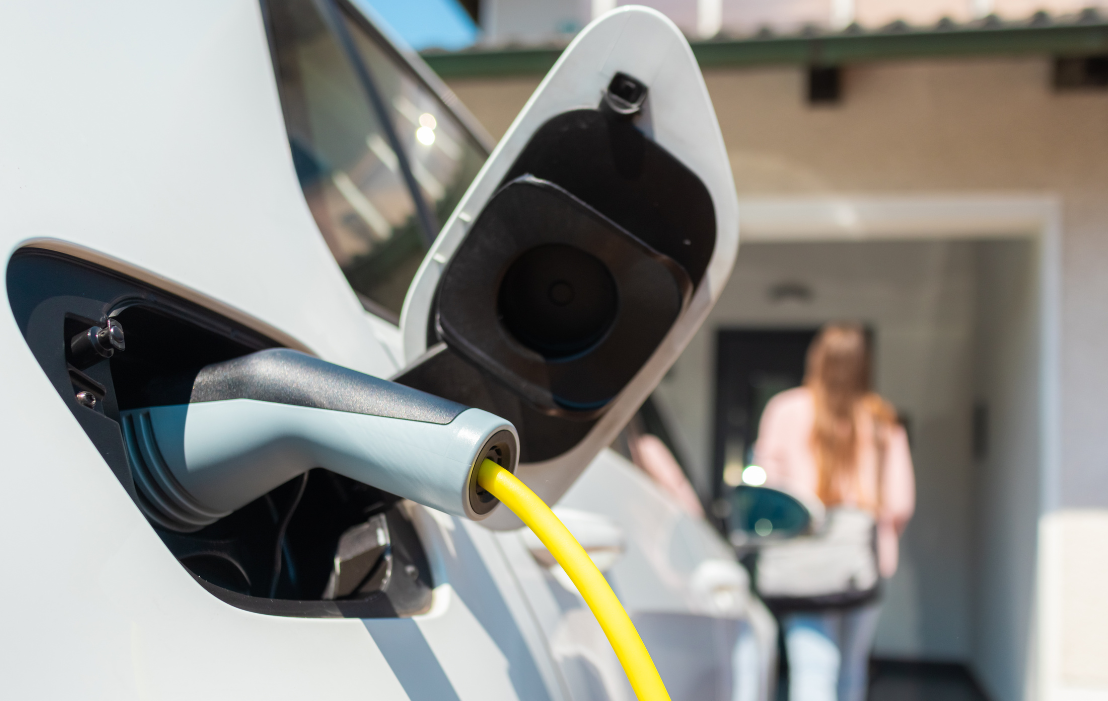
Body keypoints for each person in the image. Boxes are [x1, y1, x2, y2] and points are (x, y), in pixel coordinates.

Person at [754, 323, 915, 701]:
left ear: (817, 358)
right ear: (865, 365)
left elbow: (768, 489)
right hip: (862, 563)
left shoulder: (785, 408)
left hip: (802, 559)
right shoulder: (881, 417)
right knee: (852, 669)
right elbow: (900, 503)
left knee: (813, 669)